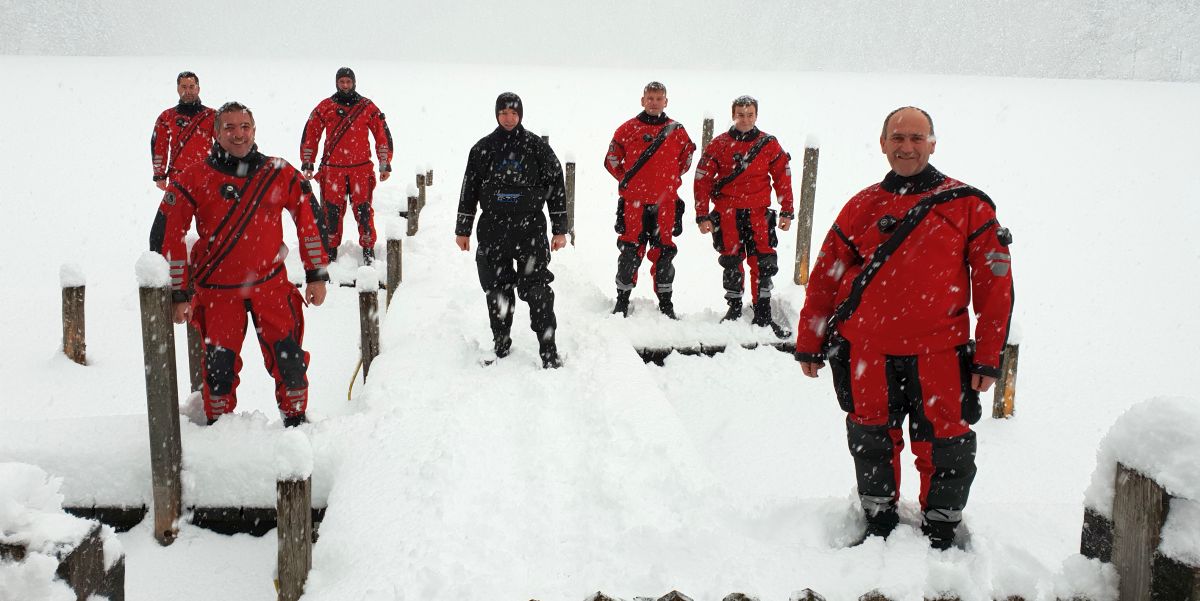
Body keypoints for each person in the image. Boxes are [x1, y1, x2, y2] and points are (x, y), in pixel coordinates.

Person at [793, 106, 1015, 550]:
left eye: (916, 138)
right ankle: (878, 523)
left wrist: (990, 356)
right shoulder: (862, 206)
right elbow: (826, 277)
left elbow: (996, 287)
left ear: (933, 143)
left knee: (947, 444)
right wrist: (809, 343)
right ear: (882, 144)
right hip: (867, 352)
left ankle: (942, 528)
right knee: (871, 439)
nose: (906, 146)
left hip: (941, 353)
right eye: (898, 138)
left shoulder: (968, 205)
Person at [150, 101, 330, 427]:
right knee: (219, 374)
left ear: (254, 130)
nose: (238, 134)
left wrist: (316, 272)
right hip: (218, 294)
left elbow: (309, 216)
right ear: (216, 133)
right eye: (229, 127)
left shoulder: (277, 171)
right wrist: (178, 293)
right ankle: (220, 437)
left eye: (244, 127)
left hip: (271, 287)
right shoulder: (194, 177)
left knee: (290, 365)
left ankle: (297, 431)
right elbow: (168, 235)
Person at [455, 92, 568, 368]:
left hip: (530, 229)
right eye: (504, 113)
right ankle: (501, 341)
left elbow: (556, 186)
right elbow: (469, 188)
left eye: (513, 113)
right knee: (498, 288)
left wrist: (560, 228)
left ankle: (548, 348)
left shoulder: (536, 148)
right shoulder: (483, 148)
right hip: (493, 228)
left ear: (521, 115)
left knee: (537, 287)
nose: (509, 118)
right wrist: (463, 228)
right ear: (497, 114)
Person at [693, 95, 794, 337]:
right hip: (727, 213)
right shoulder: (718, 144)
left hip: (758, 213)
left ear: (756, 116)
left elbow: (782, 176)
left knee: (763, 262)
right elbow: (702, 179)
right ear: (733, 115)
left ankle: (763, 313)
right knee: (731, 261)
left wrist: (787, 210)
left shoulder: (769, 144)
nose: (745, 119)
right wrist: (701, 214)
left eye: (749, 114)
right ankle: (734, 309)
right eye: (740, 114)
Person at [603, 81, 696, 318]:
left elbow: (686, 160)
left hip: (665, 204)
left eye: (659, 98)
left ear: (666, 101)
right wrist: (627, 181)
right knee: (629, 250)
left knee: (664, 251)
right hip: (633, 203)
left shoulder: (677, 131)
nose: (654, 103)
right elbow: (611, 159)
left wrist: (667, 181)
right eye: (650, 98)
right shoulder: (627, 129)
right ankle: (622, 300)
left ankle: (666, 302)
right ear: (642, 100)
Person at [300, 67, 393, 264]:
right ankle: (331, 249)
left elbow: (382, 135)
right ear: (336, 83)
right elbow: (311, 133)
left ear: (354, 83)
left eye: (348, 82)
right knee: (330, 212)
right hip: (333, 171)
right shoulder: (325, 107)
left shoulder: (367, 107)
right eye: (341, 82)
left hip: (361, 169)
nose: (345, 85)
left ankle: (368, 249)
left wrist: (384, 163)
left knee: (364, 212)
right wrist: (308, 162)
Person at [151, 71, 215, 191]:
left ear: (198, 89)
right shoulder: (167, 116)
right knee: (177, 210)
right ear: (178, 89)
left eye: (191, 87)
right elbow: (159, 146)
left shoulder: (211, 115)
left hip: (206, 175)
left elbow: (225, 144)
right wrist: (159, 174)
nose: (188, 91)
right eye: (184, 87)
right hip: (177, 177)